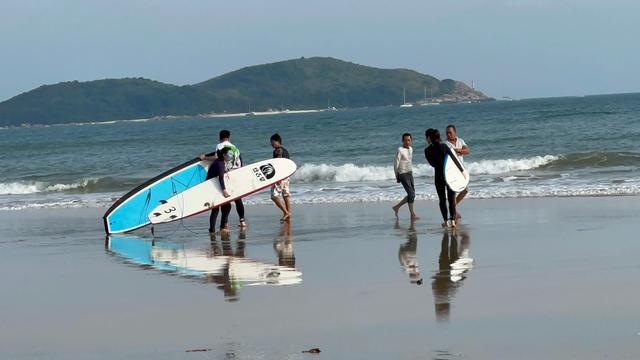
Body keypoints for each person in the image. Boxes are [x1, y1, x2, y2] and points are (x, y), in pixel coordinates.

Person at [212, 130, 247, 228]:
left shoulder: (219, 146)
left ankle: (225, 223)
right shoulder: (235, 147)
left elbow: (217, 158)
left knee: (226, 200)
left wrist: (205, 158)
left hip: (227, 173)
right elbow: (241, 160)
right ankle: (242, 221)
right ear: (229, 137)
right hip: (236, 173)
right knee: (237, 198)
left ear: (219, 137)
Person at [425, 128, 457, 228]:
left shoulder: (427, 150)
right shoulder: (444, 146)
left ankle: (446, 221)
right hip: (449, 175)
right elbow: (454, 160)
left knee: (442, 199)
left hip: (438, 176)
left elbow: (432, 164)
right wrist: (461, 172)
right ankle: (453, 222)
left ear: (429, 138)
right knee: (451, 199)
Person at [204, 148, 232, 234]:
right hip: (213, 187)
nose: (230, 155)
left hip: (210, 186)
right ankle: (222, 228)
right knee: (226, 207)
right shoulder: (220, 163)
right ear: (224, 155)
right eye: (229, 154)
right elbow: (220, 178)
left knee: (217, 209)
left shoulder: (218, 161)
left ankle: (212, 229)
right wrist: (224, 190)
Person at [392, 133, 419, 220]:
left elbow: (409, 161)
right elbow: (396, 163)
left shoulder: (411, 149)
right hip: (402, 174)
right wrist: (397, 175)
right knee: (411, 194)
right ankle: (412, 214)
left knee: (412, 195)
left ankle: (397, 207)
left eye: (409, 140)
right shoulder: (400, 150)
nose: (407, 142)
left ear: (411, 140)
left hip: (410, 173)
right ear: (402, 141)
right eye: (405, 140)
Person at [445, 125, 470, 213]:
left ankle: (453, 208)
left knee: (465, 190)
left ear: (455, 132)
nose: (448, 135)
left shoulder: (460, 140)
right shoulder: (446, 144)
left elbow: (467, 150)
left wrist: (458, 150)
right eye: (447, 133)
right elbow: (450, 153)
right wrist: (460, 151)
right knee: (454, 192)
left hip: (462, 170)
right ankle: (453, 211)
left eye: (450, 133)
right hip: (452, 171)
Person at [270, 133, 291, 222]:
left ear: (278, 142)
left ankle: (286, 212)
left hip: (280, 177)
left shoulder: (278, 151)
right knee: (286, 195)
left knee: (274, 196)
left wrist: (277, 178)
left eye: (273, 142)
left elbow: (278, 165)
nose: (271, 144)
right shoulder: (285, 150)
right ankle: (288, 214)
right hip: (286, 176)